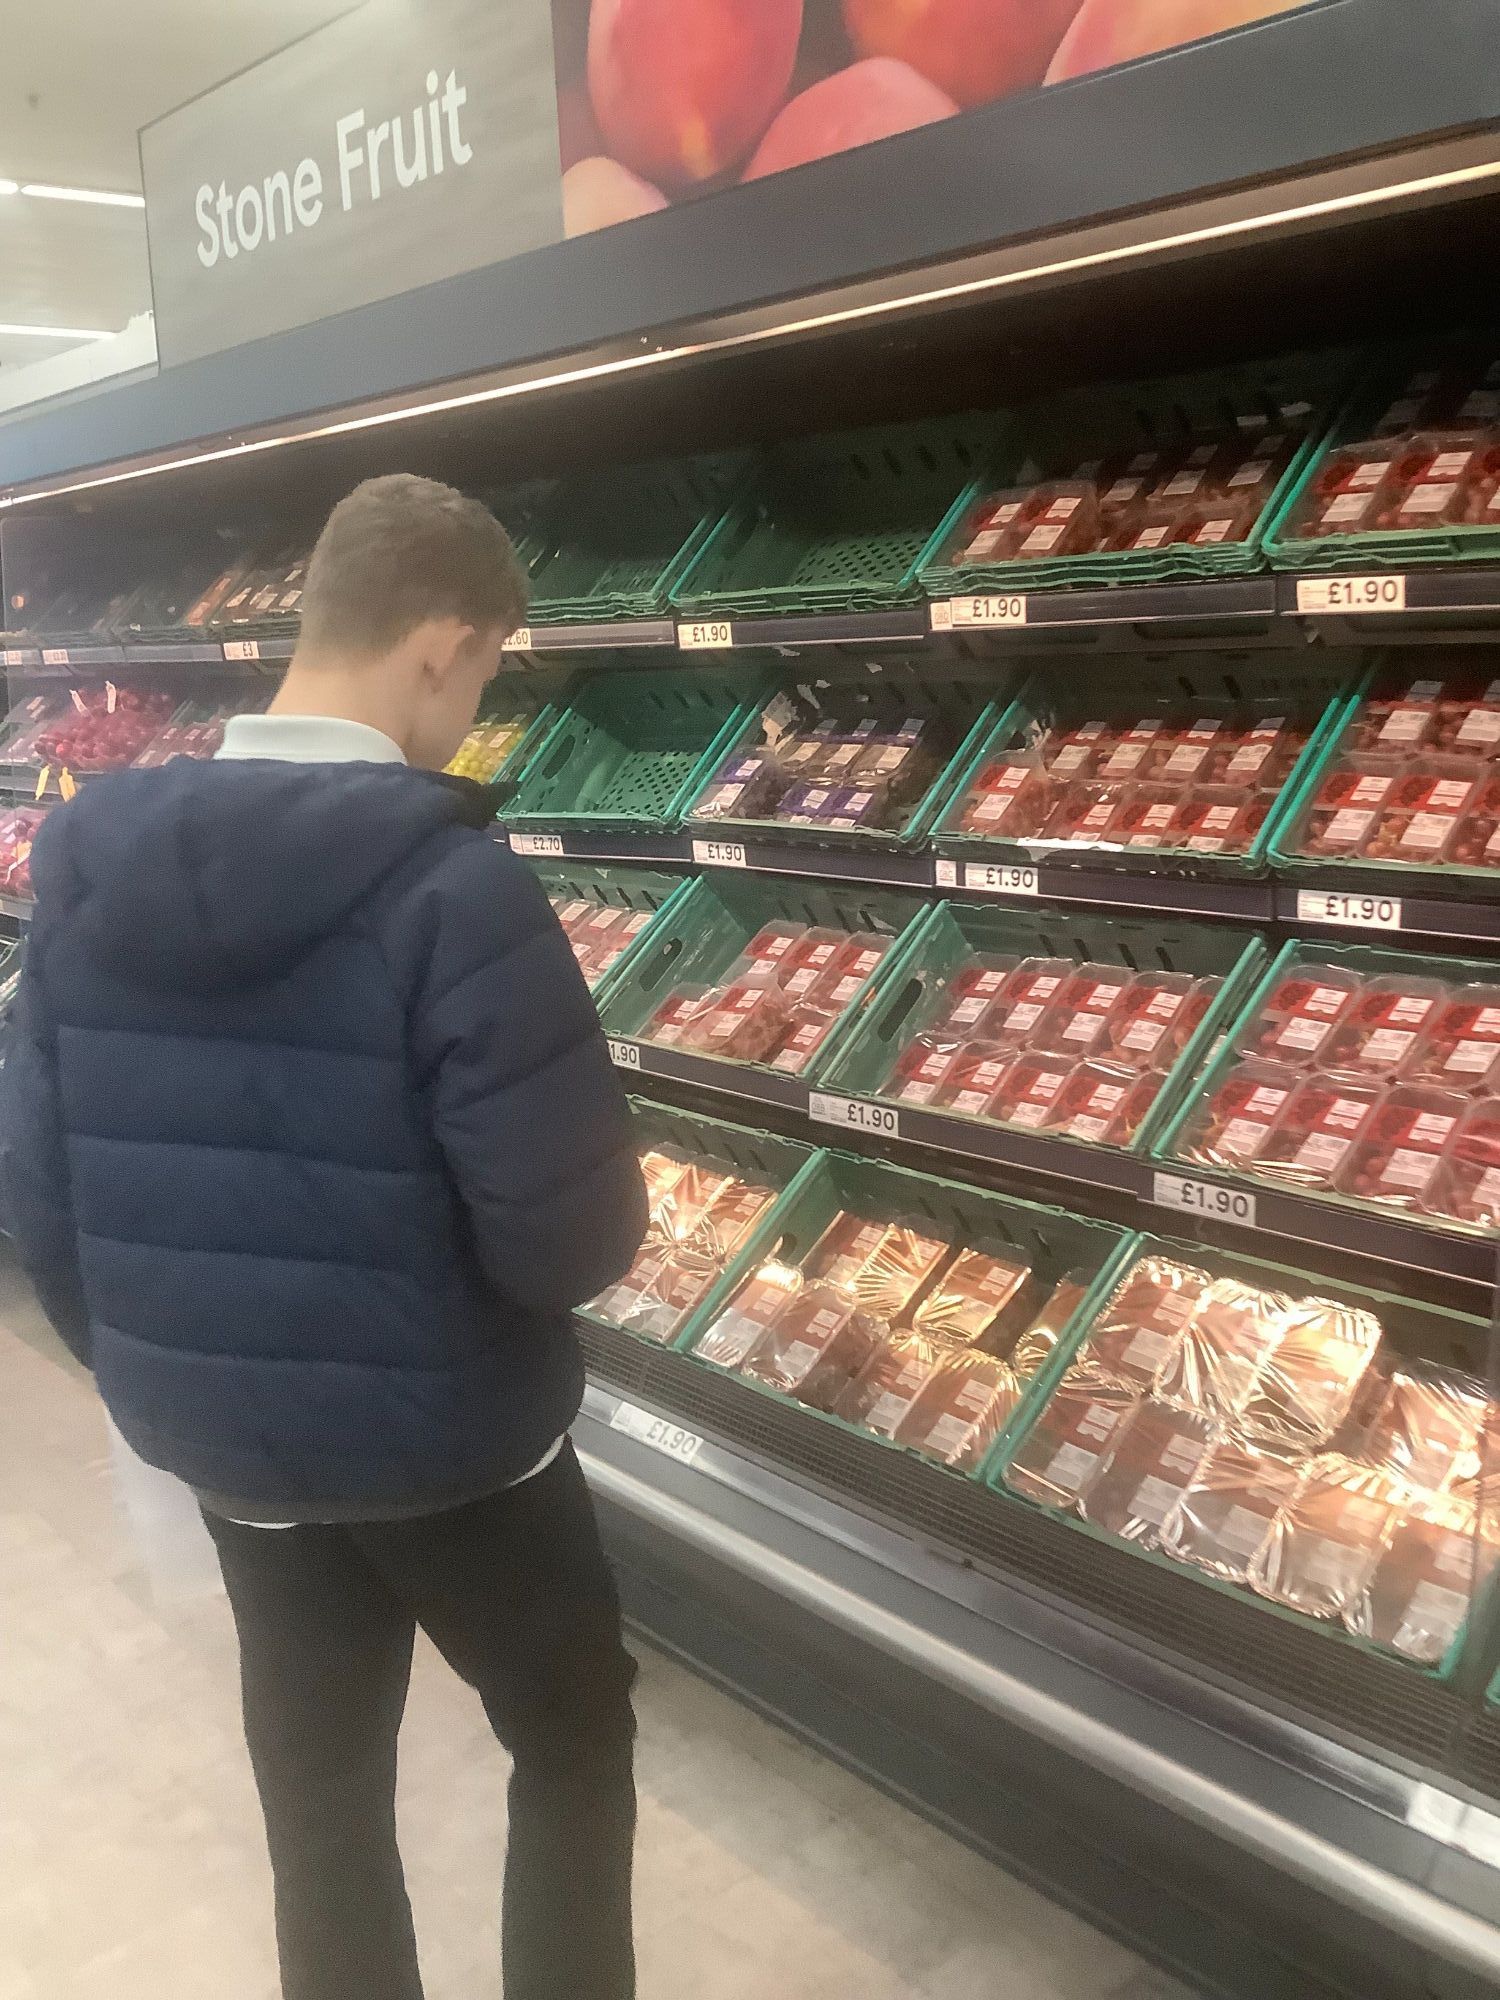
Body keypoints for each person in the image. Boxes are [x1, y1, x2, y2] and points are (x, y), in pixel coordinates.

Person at [0, 474, 649, 2000]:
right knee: (570, 1733)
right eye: (488, 667)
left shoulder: (88, 870)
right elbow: (559, 1239)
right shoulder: (453, 889)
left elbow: (35, 1188)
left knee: (320, 1792)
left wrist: (176, 1369)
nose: (476, 705)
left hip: (226, 1448)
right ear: (439, 646)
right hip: (456, 1447)